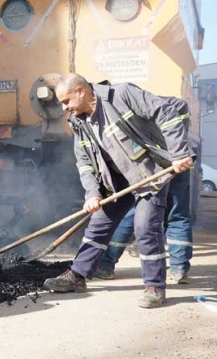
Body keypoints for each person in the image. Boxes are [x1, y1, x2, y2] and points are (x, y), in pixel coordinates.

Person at [43, 73, 194, 308]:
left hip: (147, 174)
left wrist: (179, 152)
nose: (65, 108)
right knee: (99, 224)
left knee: (145, 227)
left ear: (81, 91)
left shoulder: (122, 95)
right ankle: (78, 275)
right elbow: (83, 161)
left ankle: (154, 287)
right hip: (114, 179)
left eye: (66, 101)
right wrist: (92, 193)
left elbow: (166, 111)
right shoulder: (78, 121)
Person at [96, 168, 193, 284]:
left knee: (134, 212)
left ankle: (106, 265)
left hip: (149, 166)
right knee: (177, 215)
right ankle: (179, 269)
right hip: (179, 163)